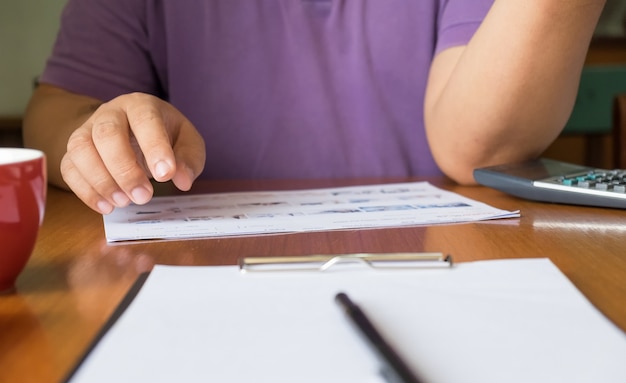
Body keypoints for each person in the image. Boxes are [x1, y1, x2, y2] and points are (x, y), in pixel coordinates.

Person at [23, 0, 607, 214]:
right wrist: (97, 134)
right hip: (197, 274)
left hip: (442, 266)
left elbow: (481, 147)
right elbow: (59, 107)